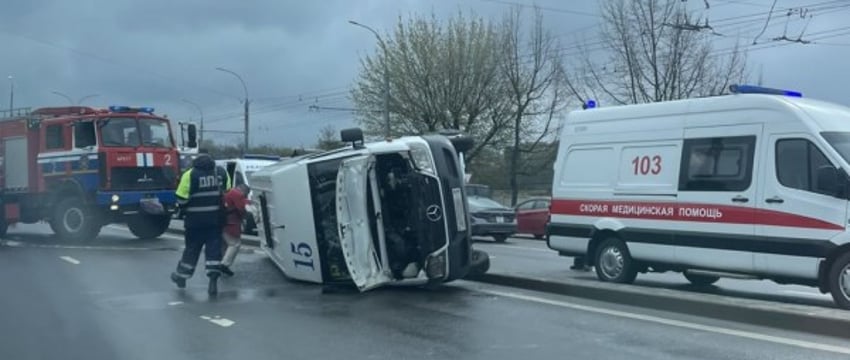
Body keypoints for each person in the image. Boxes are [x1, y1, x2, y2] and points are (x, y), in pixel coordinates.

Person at [170, 153, 231, 296]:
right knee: (214, 251)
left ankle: (182, 277)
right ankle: (213, 281)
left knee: (191, 250)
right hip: (215, 221)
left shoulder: (190, 175)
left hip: (194, 222)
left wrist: (185, 208)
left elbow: (181, 199)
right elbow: (227, 193)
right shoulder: (221, 173)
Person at [221, 183, 250, 276]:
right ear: (244, 191)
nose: (245, 196)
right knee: (235, 244)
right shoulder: (237, 194)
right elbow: (241, 208)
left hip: (222, 222)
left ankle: (220, 263)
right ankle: (224, 265)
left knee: (224, 244)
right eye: (246, 194)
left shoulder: (229, 192)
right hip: (231, 223)